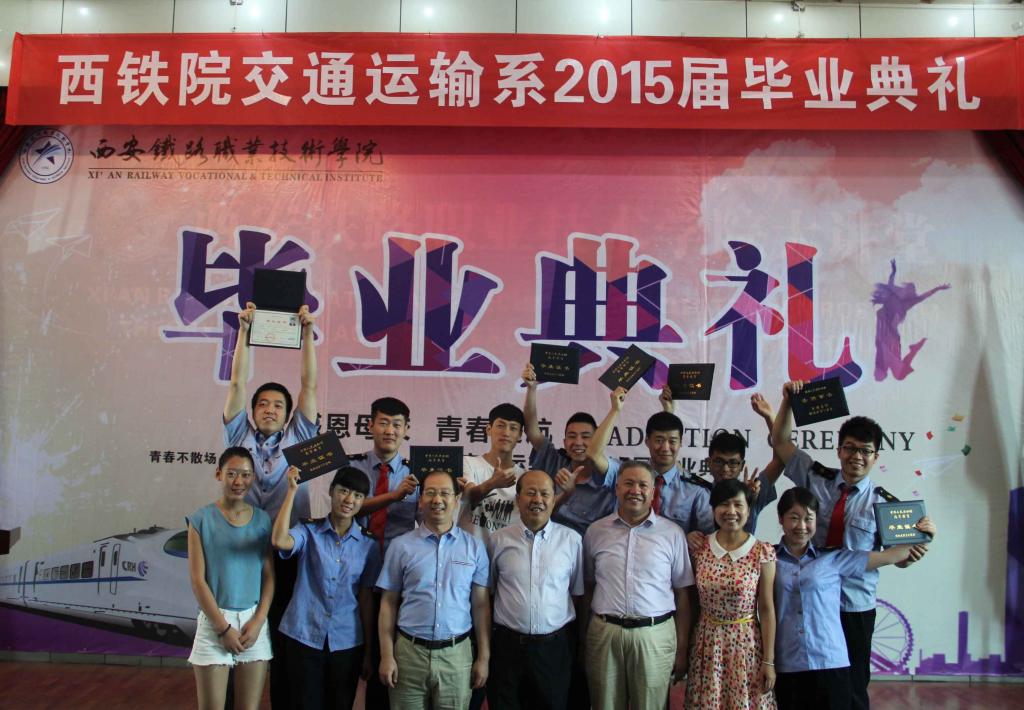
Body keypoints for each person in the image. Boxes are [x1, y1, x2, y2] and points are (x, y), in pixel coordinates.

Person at [771, 381, 937, 710]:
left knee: (853, 687)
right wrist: (788, 402)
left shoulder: (885, 505)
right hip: (812, 600)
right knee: (805, 686)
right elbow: (780, 441)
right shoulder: (815, 477)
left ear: (876, 457)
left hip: (853, 606)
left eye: (865, 451)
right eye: (850, 448)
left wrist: (919, 543)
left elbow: (899, 558)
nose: (856, 457)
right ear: (839, 450)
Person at [224, 300, 319, 709]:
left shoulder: (300, 436)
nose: (269, 409)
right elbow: (236, 384)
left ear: (288, 414)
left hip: (288, 553)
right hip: (242, 552)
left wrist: (307, 333)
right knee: (238, 632)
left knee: (282, 635)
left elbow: (309, 386)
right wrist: (244, 333)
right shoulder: (238, 437)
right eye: (263, 403)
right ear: (253, 411)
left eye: (278, 405)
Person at [773, 487, 929, 710]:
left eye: (808, 518)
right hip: (786, 661)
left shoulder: (834, 558)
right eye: (794, 518)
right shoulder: (766, 558)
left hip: (829, 661)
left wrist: (924, 534)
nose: (802, 526)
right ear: (781, 519)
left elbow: (890, 555)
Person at [583, 460, 694, 710]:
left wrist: (682, 648)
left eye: (643, 485)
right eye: (628, 484)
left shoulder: (672, 533)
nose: (635, 490)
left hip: (654, 636)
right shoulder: (595, 531)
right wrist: (583, 637)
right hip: (605, 633)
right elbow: (588, 587)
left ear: (653, 491)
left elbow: (683, 595)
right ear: (617, 488)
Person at [377, 469, 491, 710]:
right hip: (408, 654)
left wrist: (483, 657)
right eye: (430, 493)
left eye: (444, 493)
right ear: (420, 500)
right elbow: (388, 603)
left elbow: (481, 605)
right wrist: (387, 656)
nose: (437, 499)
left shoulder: (474, 547)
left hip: (457, 655)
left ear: (457, 499)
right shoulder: (401, 546)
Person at [271, 466, 382, 710]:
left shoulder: (369, 544)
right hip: (303, 636)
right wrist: (292, 491)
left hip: (346, 641)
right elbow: (279, 541)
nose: (349, 500)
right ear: (331, 491)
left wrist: (368, 652)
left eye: (358, 495)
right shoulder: (308, 530)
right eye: (344, 491)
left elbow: (366, 598)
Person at [487, 470, 584, 710]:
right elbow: (490, 591)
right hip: (507, 646)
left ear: (553, 499)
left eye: (544, 493)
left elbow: (576, 593)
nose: (537, 500)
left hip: (554, 647)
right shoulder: (497, 540)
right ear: (517, 499)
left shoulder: (572, 540)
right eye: (530, 493)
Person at [187, 447, 274, 710]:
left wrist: (258, 621)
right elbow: (198, 581)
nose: (239, 481)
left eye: (245, 475)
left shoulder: (263, 520)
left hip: (252, 623)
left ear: (253, 478)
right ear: (219, 474)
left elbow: (268, 577)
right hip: (215, 622)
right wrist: (223, 628)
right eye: (232, 474)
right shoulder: (200, 520)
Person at [686, 478, 776, 710]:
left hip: (746, 644)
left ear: (748, 509)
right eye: (724, 504)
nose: (731, 511)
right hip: (706, 643)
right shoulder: (699, 547)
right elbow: (691, 601)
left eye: (738, 505)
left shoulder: (762, 551)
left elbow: (767, 609)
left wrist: (769, 661)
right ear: (714, 509)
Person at [589, 387, 714, 533]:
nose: (665, 448)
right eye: (659, 440)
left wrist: (693, 538)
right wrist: (615, 410)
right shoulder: (627, 474)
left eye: (672, 441)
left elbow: (711, 536)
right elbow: (593, 454)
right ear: (647, 441)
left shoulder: (695, 490)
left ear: (681, 443)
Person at [521, 363, 615, 536]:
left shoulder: (610, 476)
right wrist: (531, 388)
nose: (578, 442)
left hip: (589, 548)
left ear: (597, 440)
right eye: (572, 436)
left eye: (585, 436)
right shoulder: (554, 461)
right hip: (549, 545)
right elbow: (531, 430)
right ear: (564, 442)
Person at [459, 403, 528, 546]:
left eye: (513, 428)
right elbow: (470, 495)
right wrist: (492, 483)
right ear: (489, 429)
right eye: (501, 426)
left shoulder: (524, 477)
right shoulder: (468, 463)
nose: (506, 433)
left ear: (520, 435)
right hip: (468, 553)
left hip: (506, 553)